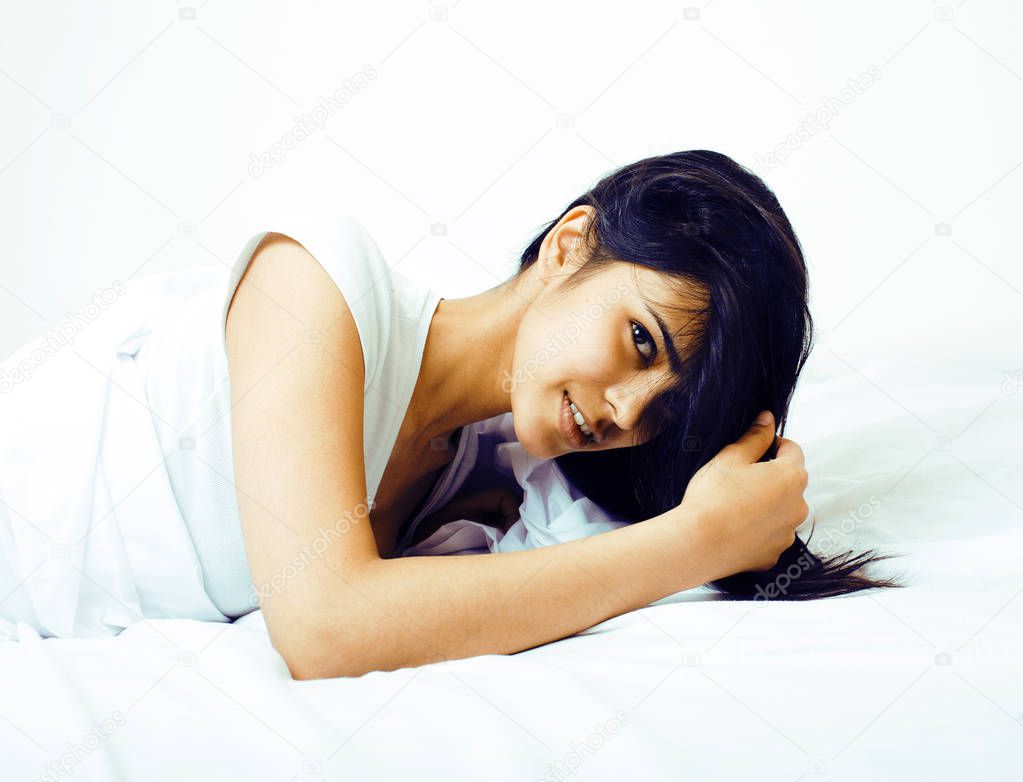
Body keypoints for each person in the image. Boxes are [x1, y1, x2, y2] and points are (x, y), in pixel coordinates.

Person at [0, 149, 899, 673]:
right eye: (639, 341)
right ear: (570, 244)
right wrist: (696, 541)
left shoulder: (500, 487)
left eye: (666, 411)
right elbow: (323, 626)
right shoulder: (317, 279)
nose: (627, 413)